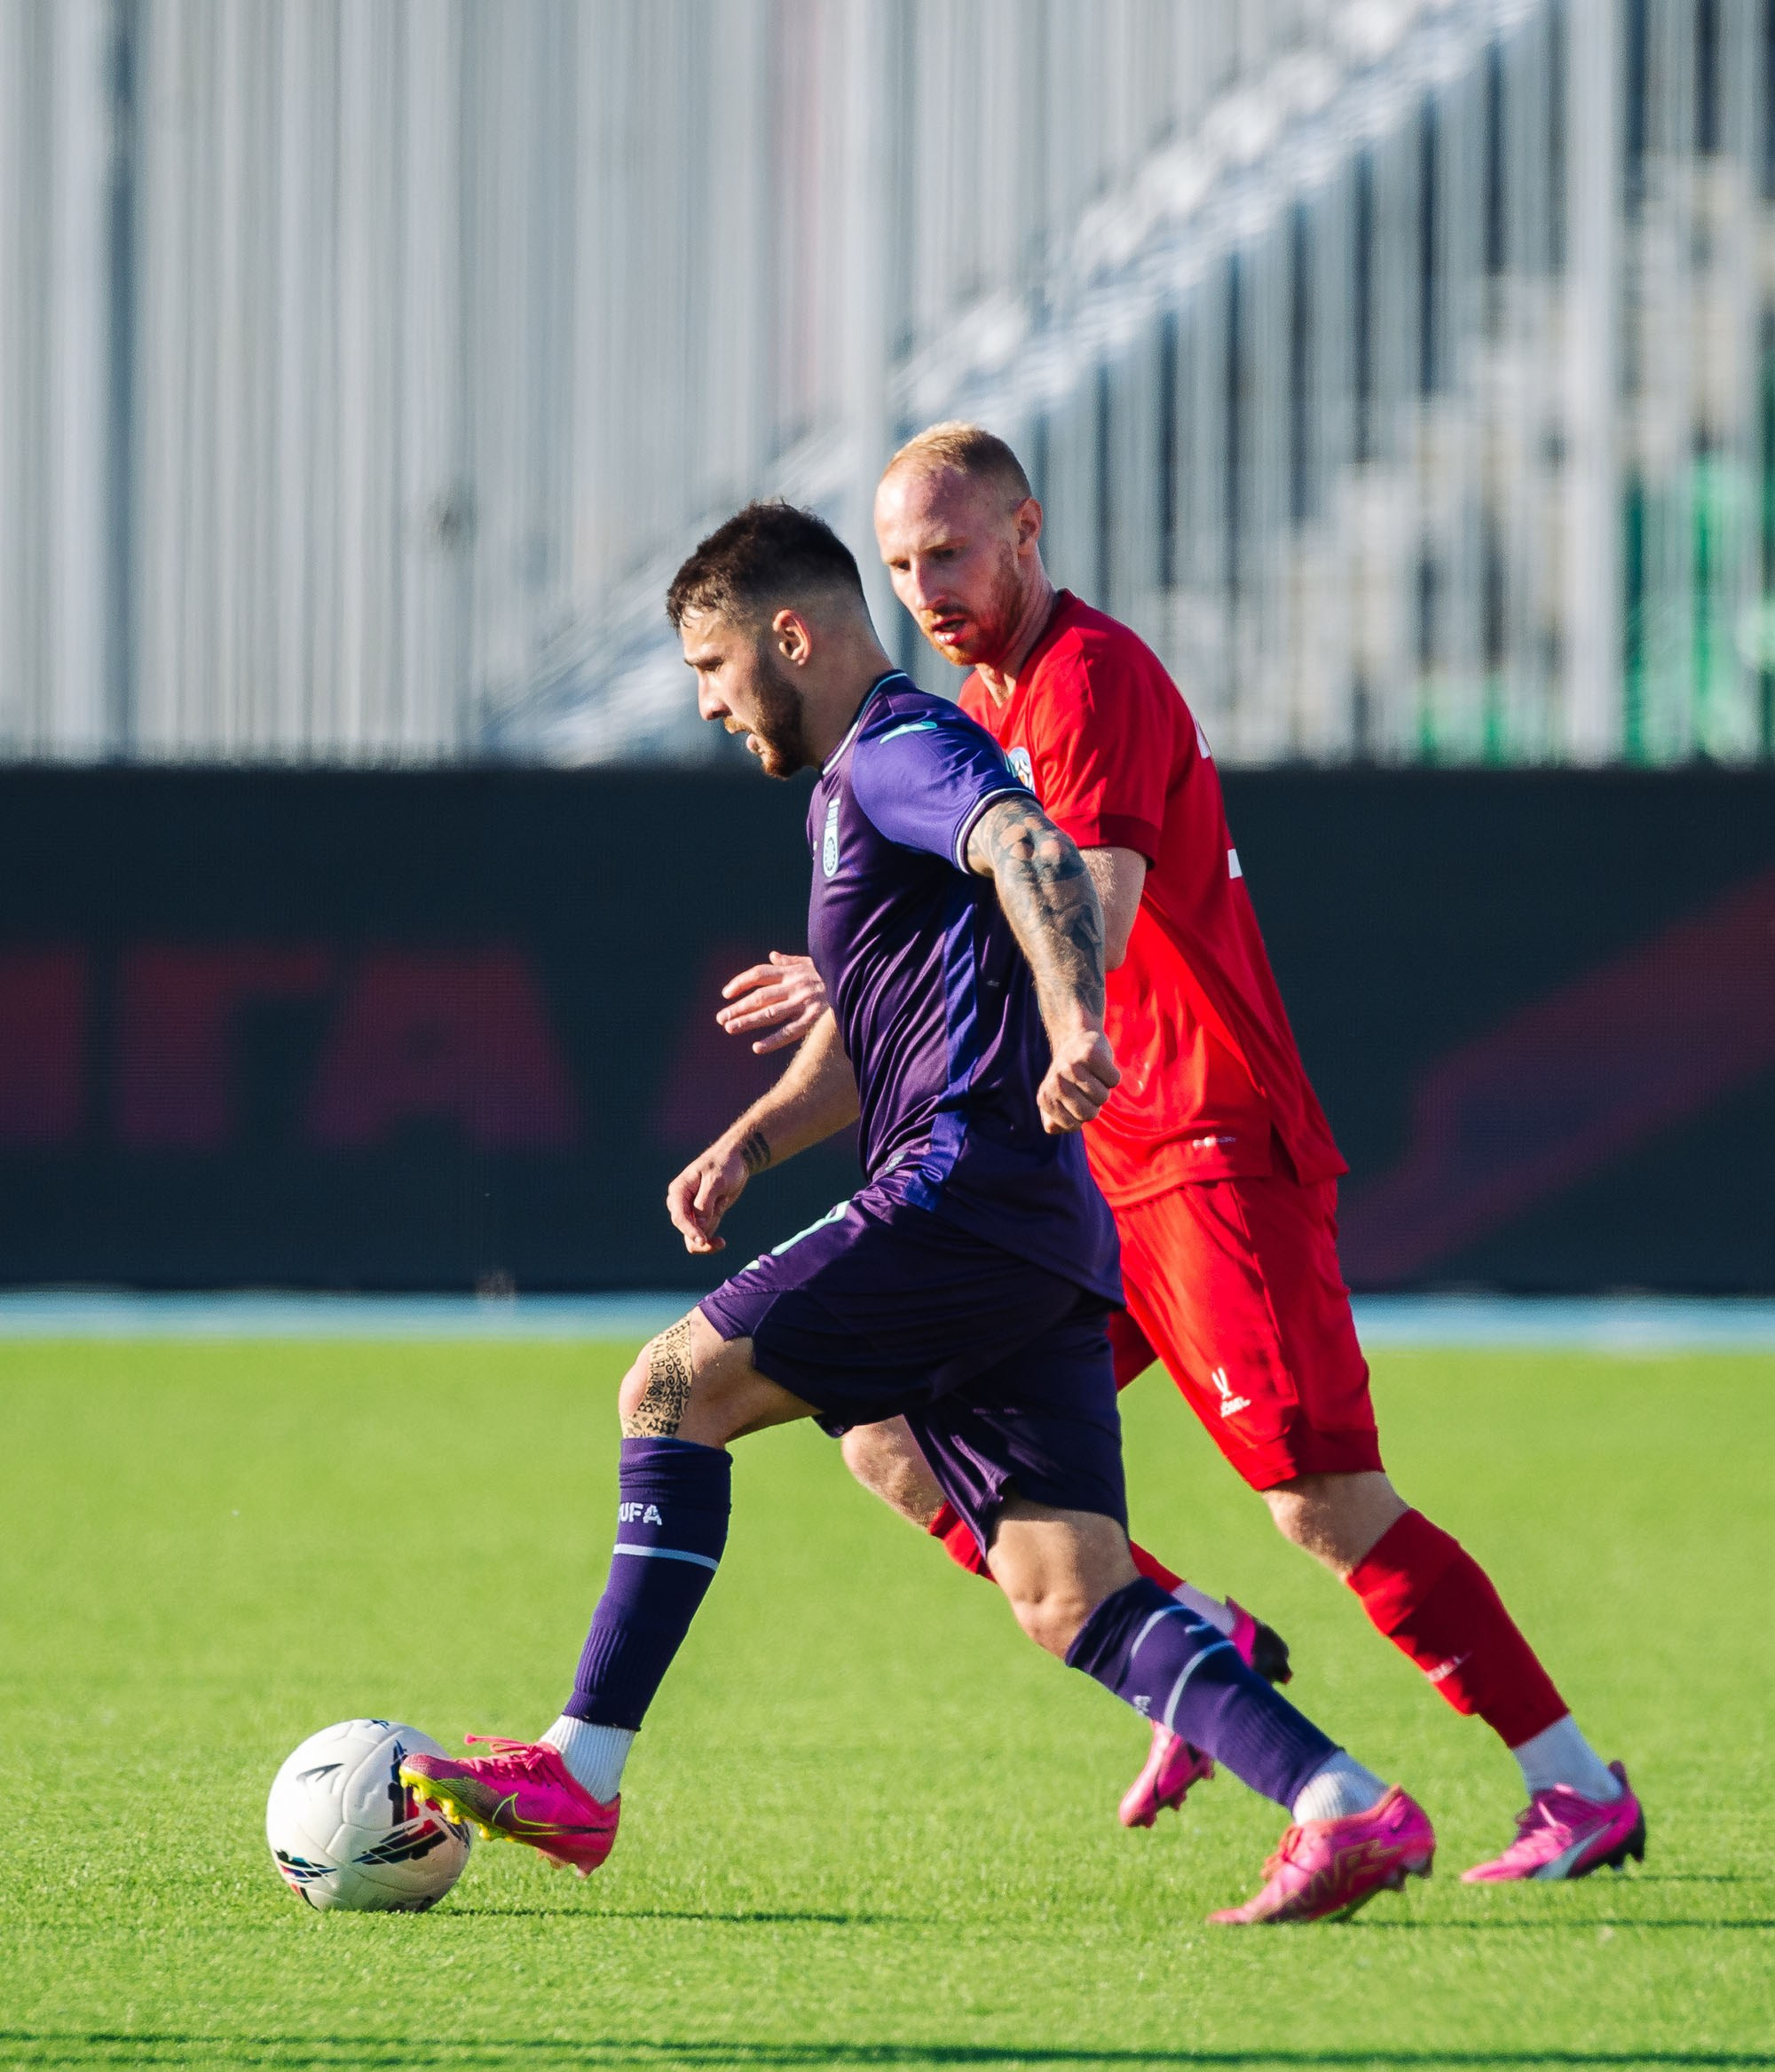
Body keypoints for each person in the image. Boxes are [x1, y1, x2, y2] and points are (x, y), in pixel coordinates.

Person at [403, 498, 1435, 1925]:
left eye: (711, 670)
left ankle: (581, 1772)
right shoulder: (862, 787)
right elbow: (904, 1008)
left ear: (792, 635)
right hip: (1040, 1232)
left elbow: (1029, 847)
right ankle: (1346, 1805)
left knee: (668, 1389)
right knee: (1067, 1587)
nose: (706, 705)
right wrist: (752, 1147)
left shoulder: (900, 750)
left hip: (960, 1198)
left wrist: (1082, 1026)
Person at [715, 430, 1645, 1886]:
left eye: (949, 553)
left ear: (1028, 529)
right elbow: (975, 933)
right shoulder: (979, 699)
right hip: (1088, 1170)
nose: (926, 588)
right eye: (900, 567)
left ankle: (1576, 1784)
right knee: (887, 1434)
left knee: (1322, 1498)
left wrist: (1010, 1006)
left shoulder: (1088, 680)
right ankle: (1196, 1639)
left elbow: (1093, 901)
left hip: (1203, 1143)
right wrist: (848, 1001)